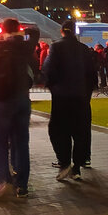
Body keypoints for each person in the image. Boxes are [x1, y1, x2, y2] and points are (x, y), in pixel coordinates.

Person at [0, 18, 36, 199]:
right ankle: (22, 184)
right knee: (21, 142)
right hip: (22, 98)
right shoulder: (25, 46)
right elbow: (35, 31)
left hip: (2, 101)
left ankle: (4, 180)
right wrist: (22, 33)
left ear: (3, 30)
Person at [42, 19, 96, 182]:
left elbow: (48, 69)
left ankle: (64, 162)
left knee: (59, 131)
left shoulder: (56, 47)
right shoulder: (84, 49)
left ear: (62, 31)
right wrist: (86, 94)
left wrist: (53, 88)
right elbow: (92, 74)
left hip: (62, 98)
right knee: (80, 132)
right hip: (81, 98)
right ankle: (76, 167)